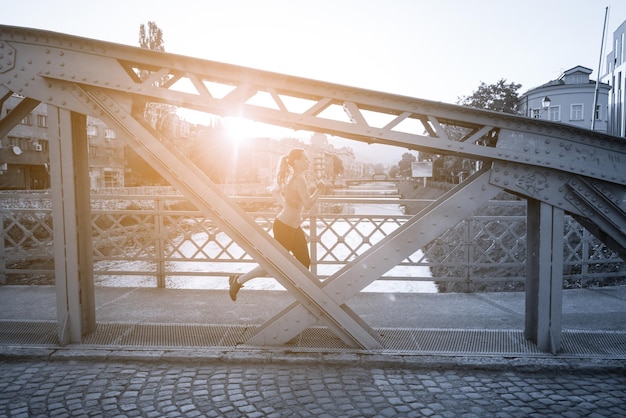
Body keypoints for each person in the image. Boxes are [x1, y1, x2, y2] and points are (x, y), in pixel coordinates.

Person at [228, 148, 325, 301]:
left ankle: (302, 296)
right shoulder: (299, 179)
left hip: (292, 227)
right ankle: (238, 281)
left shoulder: (295, 177)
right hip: (285, 228)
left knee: (304, 262)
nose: (309, 161)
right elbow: (307, 204)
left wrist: (277, 196)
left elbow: (290, 206)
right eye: (305, 159)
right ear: (296, 161)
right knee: (274, 264)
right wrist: (320, 190)